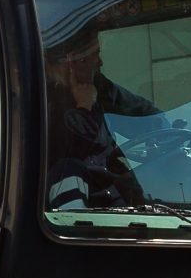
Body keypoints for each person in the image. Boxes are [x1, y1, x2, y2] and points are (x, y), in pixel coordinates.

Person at [43, 28, 162, 209]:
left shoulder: (98, 86)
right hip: (78, 201)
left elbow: (142, 112)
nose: (100, 62)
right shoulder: (42, 100)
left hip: (113, 188)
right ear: (75, 62)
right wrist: (84, 107)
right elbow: (70, 151)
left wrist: (160, 128)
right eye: (96, 54)